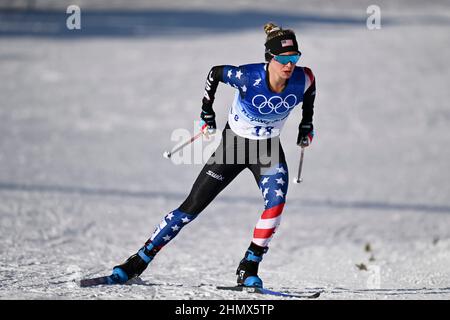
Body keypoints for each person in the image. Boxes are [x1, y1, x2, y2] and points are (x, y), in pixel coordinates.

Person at [109, 22, 316, 288]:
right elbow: (215, 73)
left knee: (275, 204)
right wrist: (207, 113)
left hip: (266, 150)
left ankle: (249, 267)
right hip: (234, 146)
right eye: (283, 59)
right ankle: (136, 262)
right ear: (269, 58)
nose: (289, 65)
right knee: (190, 209)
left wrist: (306, 125)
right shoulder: (246, 76)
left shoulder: (304, 77)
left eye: (294, 58)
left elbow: (310, 94)